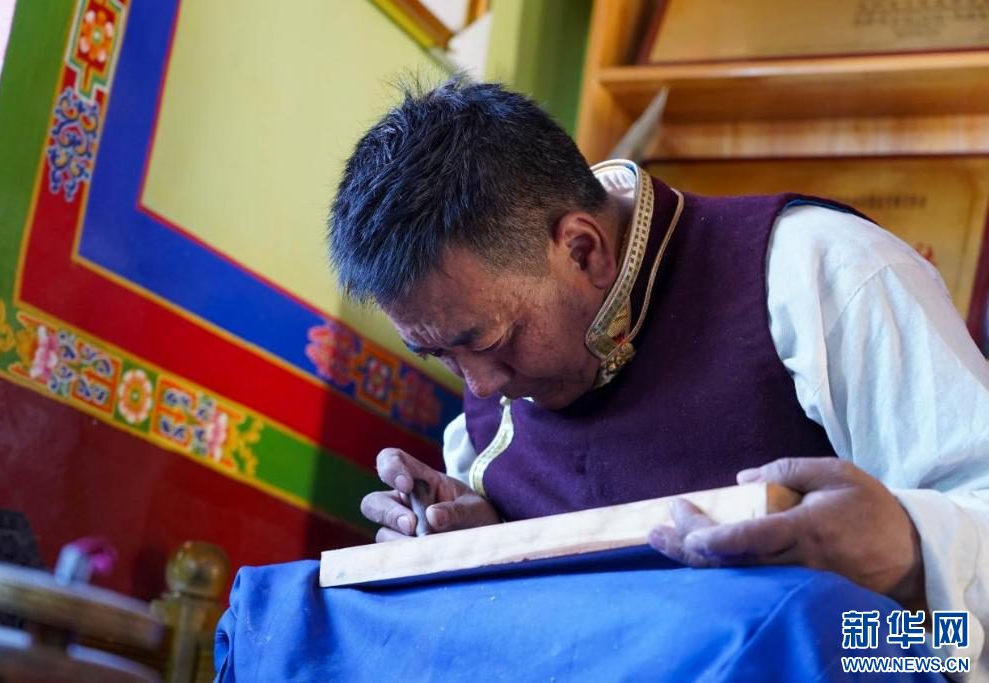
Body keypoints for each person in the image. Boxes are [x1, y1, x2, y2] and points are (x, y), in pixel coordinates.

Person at [327, 77, 989, 672]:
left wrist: (905, 552)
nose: (479, 386)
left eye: (490, 341)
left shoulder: (821, 271)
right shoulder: (483, 398)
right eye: (439, 356)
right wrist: (478, 557)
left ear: (582, 249)